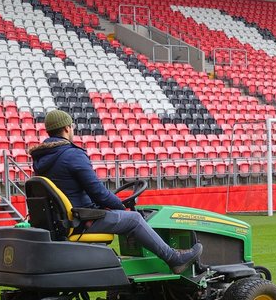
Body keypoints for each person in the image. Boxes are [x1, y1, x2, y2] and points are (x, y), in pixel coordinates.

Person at [29, 109, 202, 274]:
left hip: (66, 220)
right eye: (72, 126)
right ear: (67, 128)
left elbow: (74, 191)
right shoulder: (72, 155)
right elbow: (99, 193)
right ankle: (173, 258)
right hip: (81, 221)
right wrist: (121, 206)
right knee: (134, 219)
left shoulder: (42, 159)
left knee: (126, 216)